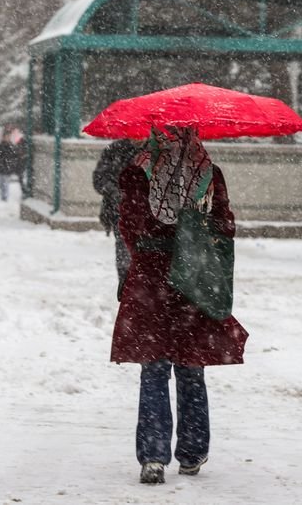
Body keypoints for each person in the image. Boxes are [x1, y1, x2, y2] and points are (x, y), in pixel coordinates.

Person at [111, 127, 248, 485]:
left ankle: (154, 456)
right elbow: (225, 226)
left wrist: (149, 248)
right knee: (190, 364)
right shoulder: (208, 172)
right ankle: (192, 451)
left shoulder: (140, 170)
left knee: (153, 365)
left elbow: (128, 224)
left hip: (151, 280)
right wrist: (195, 240)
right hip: (193, 279)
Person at [92, 139, 140, 293]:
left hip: (150, 216)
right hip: (120, 212)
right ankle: (127, 289)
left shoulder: (158, 150)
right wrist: (119, 193)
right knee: (125, 252)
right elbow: (99, 179)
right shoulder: (114, 149)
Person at [0, 128, 20, 201]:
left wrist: (12, 165)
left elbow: (15, 157)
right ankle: (2, 196)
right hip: (0, 168)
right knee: (0, 183)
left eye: (8, 136)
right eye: (6, 136)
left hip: (8, 168)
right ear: (3, 137)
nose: (7, 138)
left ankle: (4, 197)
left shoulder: (12, 147)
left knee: (6, 183)